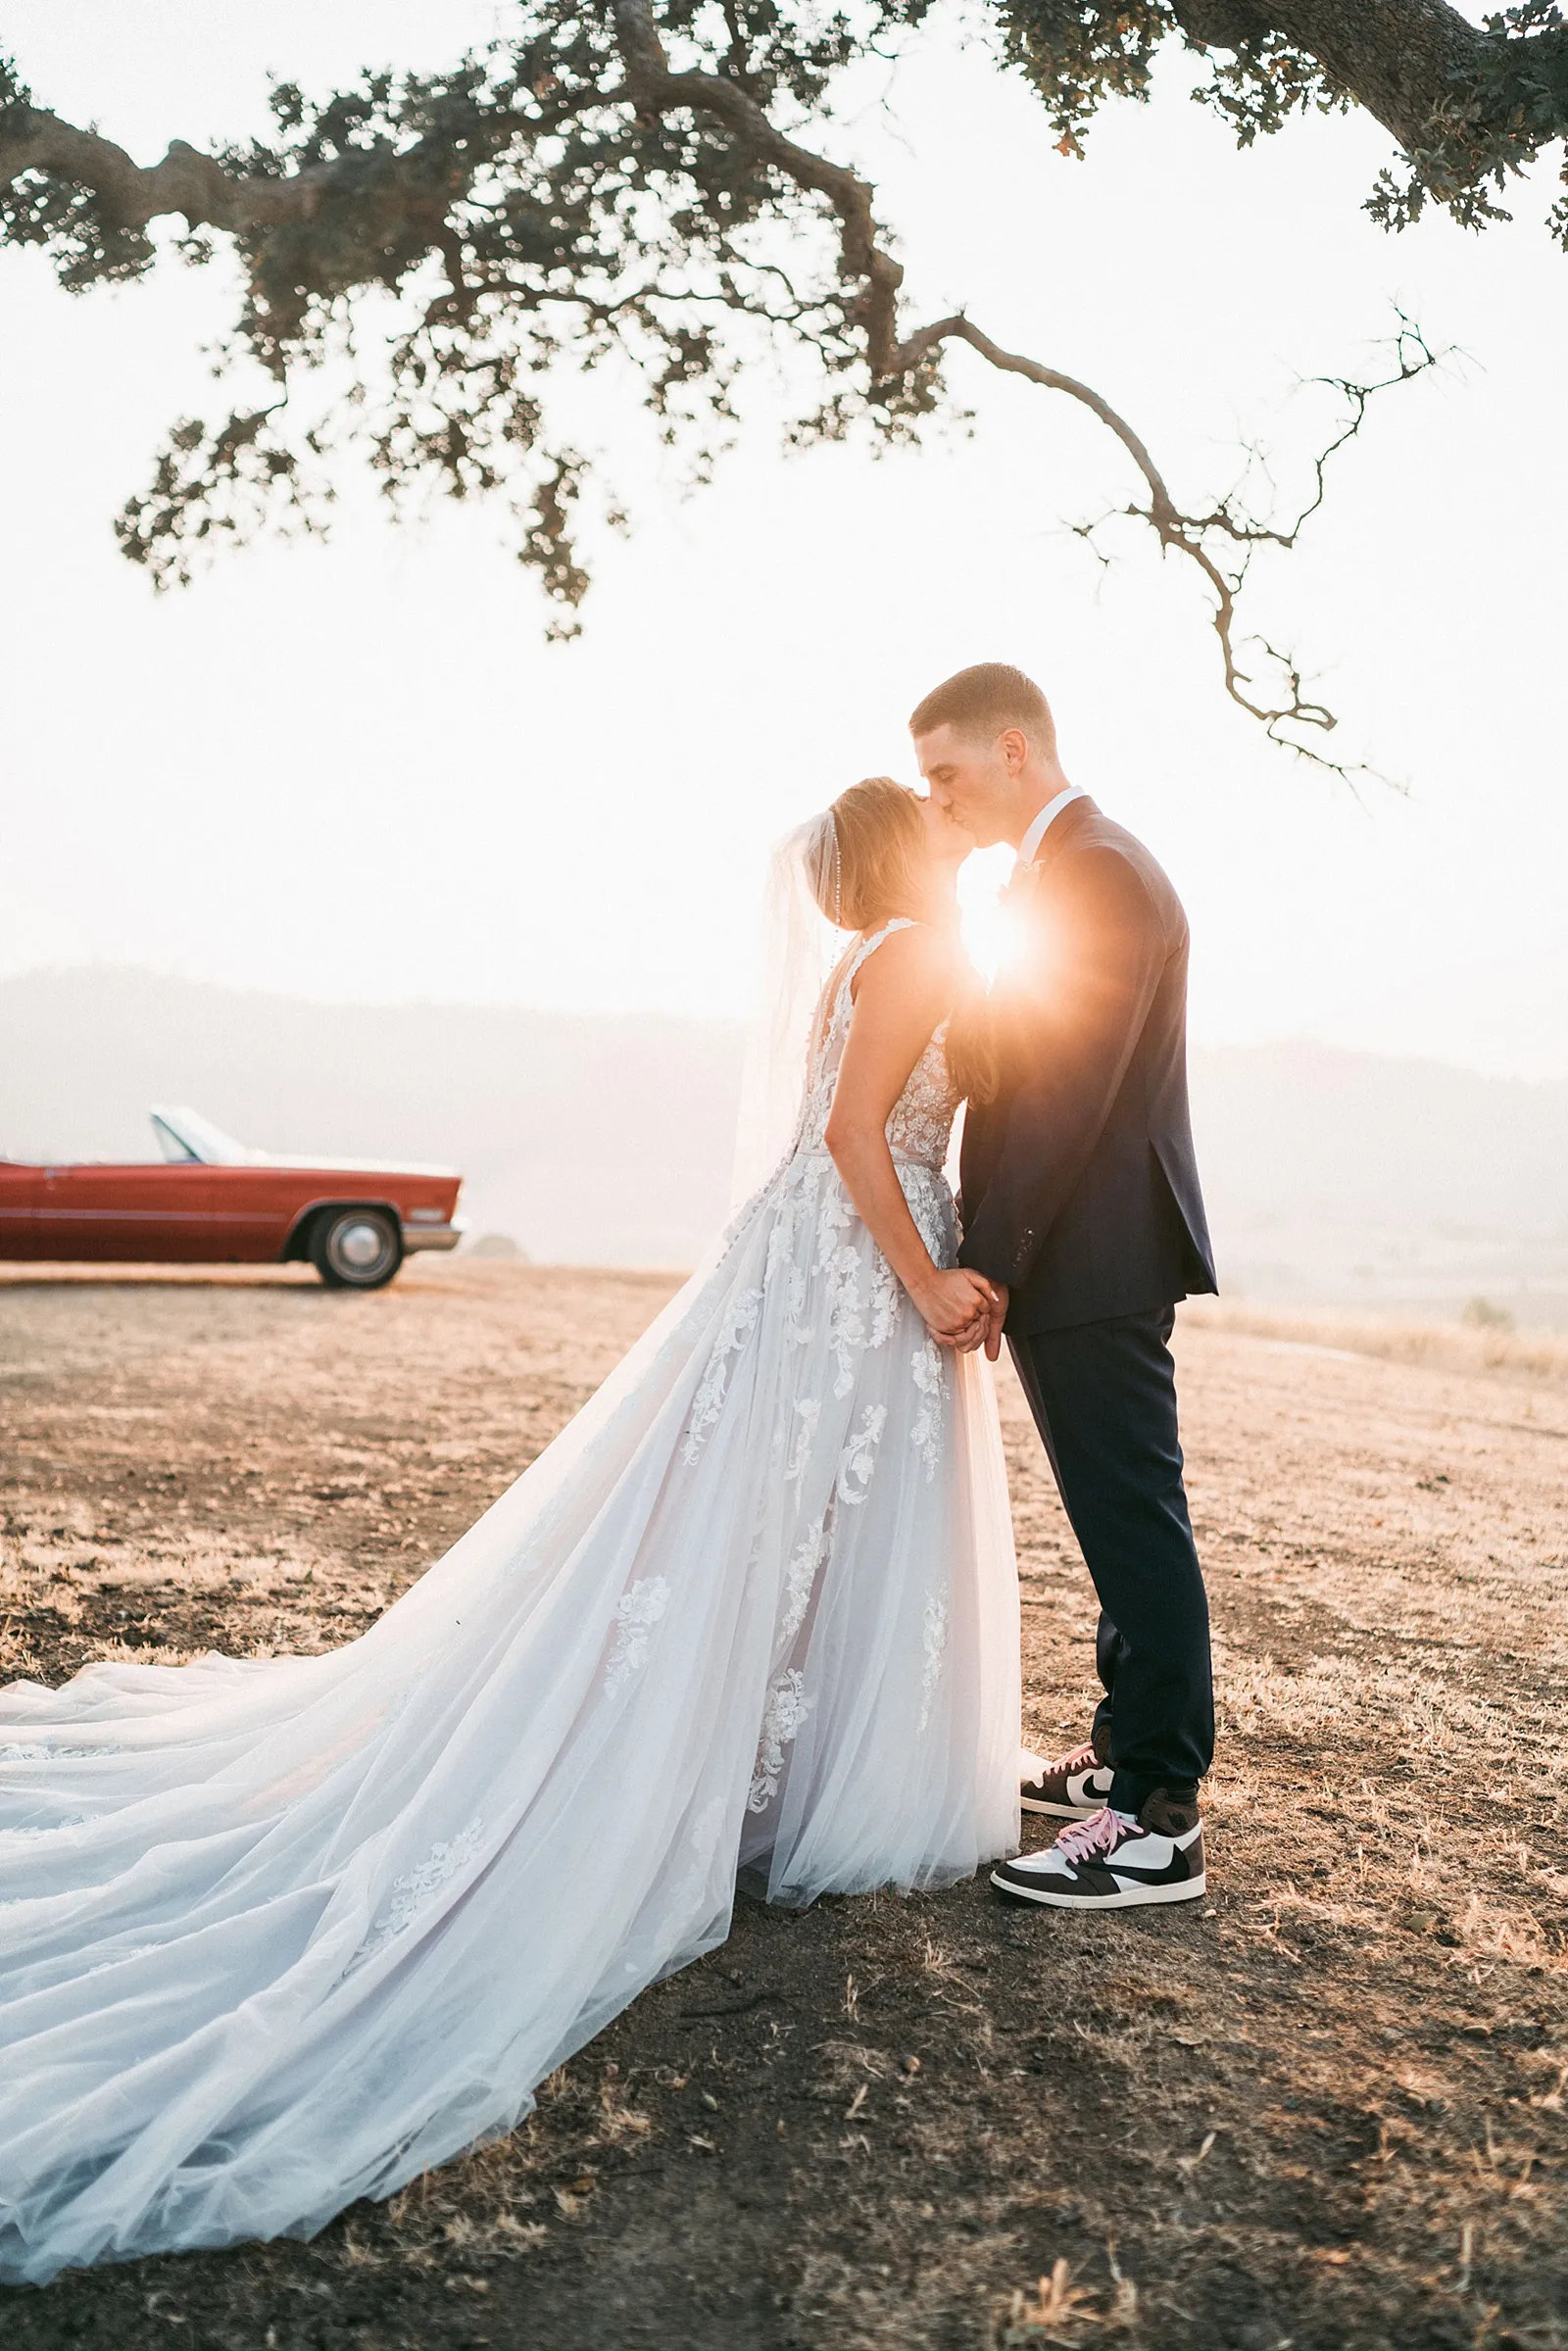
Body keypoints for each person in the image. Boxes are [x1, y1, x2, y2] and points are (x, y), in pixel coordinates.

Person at [0, 777, 1021, 2285]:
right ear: (894, 848)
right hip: (853, 1264)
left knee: (779, 1521)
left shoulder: (871, 956)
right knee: (792, 1517)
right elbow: (862, 1136)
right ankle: (748, 1773)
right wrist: (926, 1277)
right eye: (928, 815)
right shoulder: (914, 952)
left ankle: (764, 1761)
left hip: (817, 1264)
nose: (952, 827)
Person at [910, 662, 1218, 1913]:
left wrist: (991, 1251)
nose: (935, 798)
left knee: (1133, 1513)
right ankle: (1120, 1750)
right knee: (1110, 1513)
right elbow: (1006, 1056)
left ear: (1013, 750)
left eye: (947, 774)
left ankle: (1157, 1819)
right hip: (1079, 1252)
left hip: (1093, 1251)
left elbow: (1066, 1093)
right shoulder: (1054, 873)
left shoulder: (1096, 870)